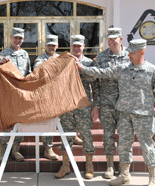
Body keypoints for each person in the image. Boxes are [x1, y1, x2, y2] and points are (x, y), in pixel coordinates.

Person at [76, 39, 155, 186]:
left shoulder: (152, 70)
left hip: (143, 115)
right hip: (124, 114)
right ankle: (124, 175)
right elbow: (103, 72)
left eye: (132, 53)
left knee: (147, 146)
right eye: (129, 52)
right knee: (123, 146)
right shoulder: (123, 68)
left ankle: (153, 177)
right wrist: (83, 68)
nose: (129, 55)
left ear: (142, 52)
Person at [55, 35, 97, 179]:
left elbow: (95, 85)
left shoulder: (89, 62)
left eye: (79, 46)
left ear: (84, 46)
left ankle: (89, 165)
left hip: (83, 105)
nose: (77, 48)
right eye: (74, 46)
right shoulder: (63, 62)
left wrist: (95, 107)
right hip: (67, 105)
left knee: (86, 134)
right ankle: (65, 165)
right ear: (71, 47)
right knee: (66, 135)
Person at [92, 28, 130, 179]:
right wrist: (97, 105)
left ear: (121, 39)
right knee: (108, 136)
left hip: (125, 104)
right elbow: (96, 82)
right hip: (107, 104)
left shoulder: (130, 55)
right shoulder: (101, 57)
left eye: (114, 39)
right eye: (109, 39)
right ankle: (109, 166)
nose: (111, 42)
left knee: (125, 137)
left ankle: (124, 167)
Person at [0, 27, 32, 162]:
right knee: (5, 122)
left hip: (20, 94)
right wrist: (0, 63)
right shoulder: (4, 53)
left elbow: (28, 72)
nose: (18, 40)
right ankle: (2, 149)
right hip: (7, 95)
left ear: (23, 39)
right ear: (11, 38)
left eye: (20, 38)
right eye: (15, 37)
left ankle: (16, 149)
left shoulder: (25, 54)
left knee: (19, 122)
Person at [32, 34, 59, 160]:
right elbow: (38, 72)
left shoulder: (60, 59)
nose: (51, 47)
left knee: (63, 121)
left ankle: (72, 137)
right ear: (45, 46)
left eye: (53, 45)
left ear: (57, 46)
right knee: (49, 122)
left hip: (59, 95)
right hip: (46, 97)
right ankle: (48, 148)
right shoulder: (40, 59)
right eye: (49, 45)